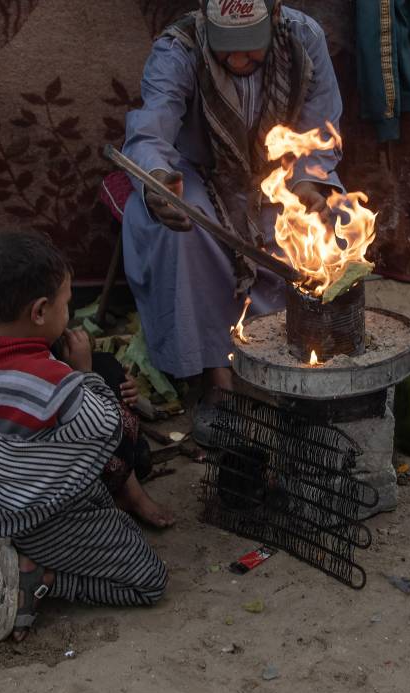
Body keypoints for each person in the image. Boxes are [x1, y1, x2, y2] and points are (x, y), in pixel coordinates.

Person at [0, 232, 174, 643]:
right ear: (39, 312)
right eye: (66, 304)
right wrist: (86, 374)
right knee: (149, 581)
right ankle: (42, 576)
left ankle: (25, 561)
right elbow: (110, 430)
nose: (69, 313)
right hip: (47, 521)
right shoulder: (56, 384)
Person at [121, 0, 345, 443]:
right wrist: (159, 182)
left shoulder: (304, 39)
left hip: (278, 176)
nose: (239, 60)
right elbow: (151, 130)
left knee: (322, 225)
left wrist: (307, 184)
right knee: (184, 231)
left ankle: (292, 364)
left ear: (274, 16)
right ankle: (218, 384)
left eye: (250, 47)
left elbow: (320, 128)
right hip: (200, 174)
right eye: (228, 49)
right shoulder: (180, 46)